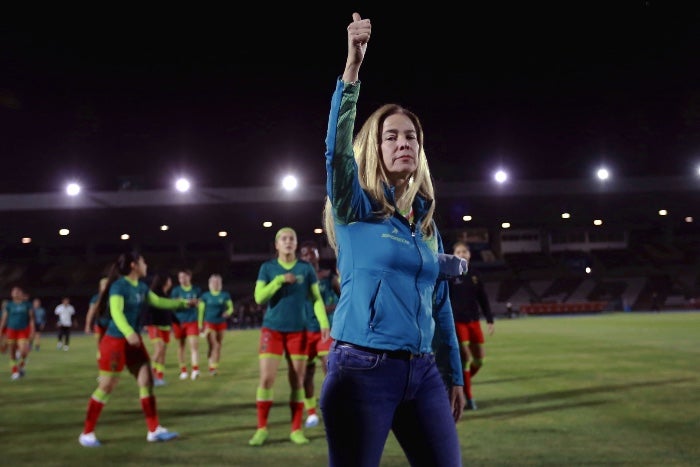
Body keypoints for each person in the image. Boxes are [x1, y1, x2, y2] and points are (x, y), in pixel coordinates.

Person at [318, 13, 465, 466]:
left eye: (411, 137)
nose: (404, 143)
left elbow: (439, 303)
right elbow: (336, 152)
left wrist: (453, 374)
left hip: (422, 373)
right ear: (375, 148)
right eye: (391, 136)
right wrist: (352, 71)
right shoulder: (354, 206)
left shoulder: (425, 223)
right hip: (362, 370)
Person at [77, 249, 196, 447]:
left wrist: (184, 304)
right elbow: (116, 312)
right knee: (106, 386)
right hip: (115, 341)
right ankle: (87, 433)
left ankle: (154, 430)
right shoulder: (118, 286)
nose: (146, 265)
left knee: (147, 380)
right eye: (143, 262)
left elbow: (158, 301)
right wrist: (128, 332)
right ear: (134, 265)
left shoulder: (141, 287)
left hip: (133, 342)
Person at [248, 227, 330, 447]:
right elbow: (258, 298)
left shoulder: (306, 269)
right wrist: (279, 281)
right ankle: (261, 429)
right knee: (267, 379)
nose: (288, 242)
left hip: (298, 331)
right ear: (276, 245)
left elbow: (316, 299)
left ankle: (296, 429)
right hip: (272, 330)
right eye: (283, 239)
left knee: (297, 381)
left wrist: (323, 322)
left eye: (292, 238)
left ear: (295, 244)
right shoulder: (268, 268)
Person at [448, 241, 495, 410]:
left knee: (479, 360)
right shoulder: (449, 274)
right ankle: (469, 397)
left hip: (474, 322)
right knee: (466, 359)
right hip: (457, 322)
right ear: (454, 254)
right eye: (458, 251)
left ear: (469, 255)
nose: (462, 254)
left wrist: (489, 319)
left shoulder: (475, 274)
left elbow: (483, 298)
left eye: (464, 251)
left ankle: (460, 380)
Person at [298, 240, 340, 429]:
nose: (308, 256)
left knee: (329, 370)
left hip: (326, 329)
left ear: (318, 255)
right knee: (307, 373)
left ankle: (333, 408)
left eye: (311, 253)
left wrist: (330, 308)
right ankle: (312, 414)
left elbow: (344, 298)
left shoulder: (328, 276)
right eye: (305, 254)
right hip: (304, 330)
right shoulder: (298, 278)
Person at [197, 273, 233, 376]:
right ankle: (212, 368)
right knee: (214, 345)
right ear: (210, 283)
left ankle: (213, 366)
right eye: (213, 282)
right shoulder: (205, 296)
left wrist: (228, 312)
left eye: (217, 282)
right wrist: (200, 325)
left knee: (218, 345)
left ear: (220, 283)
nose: (215, 284)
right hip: (209, 323)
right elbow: (201, 311)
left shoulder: (225, 295)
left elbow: (231, 307)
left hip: (221, 323)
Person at [170, 268, 203, 380]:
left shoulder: (196, 290)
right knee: (181, 346)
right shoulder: (176, 291)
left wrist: (196, 303)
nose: (182, 279)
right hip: (179, 322)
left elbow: (200, 303)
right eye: (180, 277)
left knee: (194, 345)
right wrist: (182, 303)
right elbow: (172, 305)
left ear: (189, 277)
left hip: (192, 321)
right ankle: (183, 371)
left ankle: (195, 369)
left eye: (184, 277)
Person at [144, 271, 175, 386]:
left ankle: (159, 377)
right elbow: (147, 310)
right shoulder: (154, 294)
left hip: (165, 326)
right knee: (159, 349)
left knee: (163, 352)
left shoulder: (165, 294)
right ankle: (148, 374)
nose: (171, 282)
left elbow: (168, 312)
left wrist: (174, 323)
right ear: (165, 282)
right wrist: (147, 323)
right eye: (169, 280)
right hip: (155, 325)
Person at [0, 285, 35, 380]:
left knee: (23, 351)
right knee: (12, 352)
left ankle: (22, 365)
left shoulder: (27, 304)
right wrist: (1, 330)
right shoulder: (9, 305)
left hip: (23, 330)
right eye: (13, 291)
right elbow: (4, 319)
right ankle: (15, 371)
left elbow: (31, 318)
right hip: (11, 330)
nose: (15, 293)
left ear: (21, 293)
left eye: (17, 291)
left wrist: (33, 329)